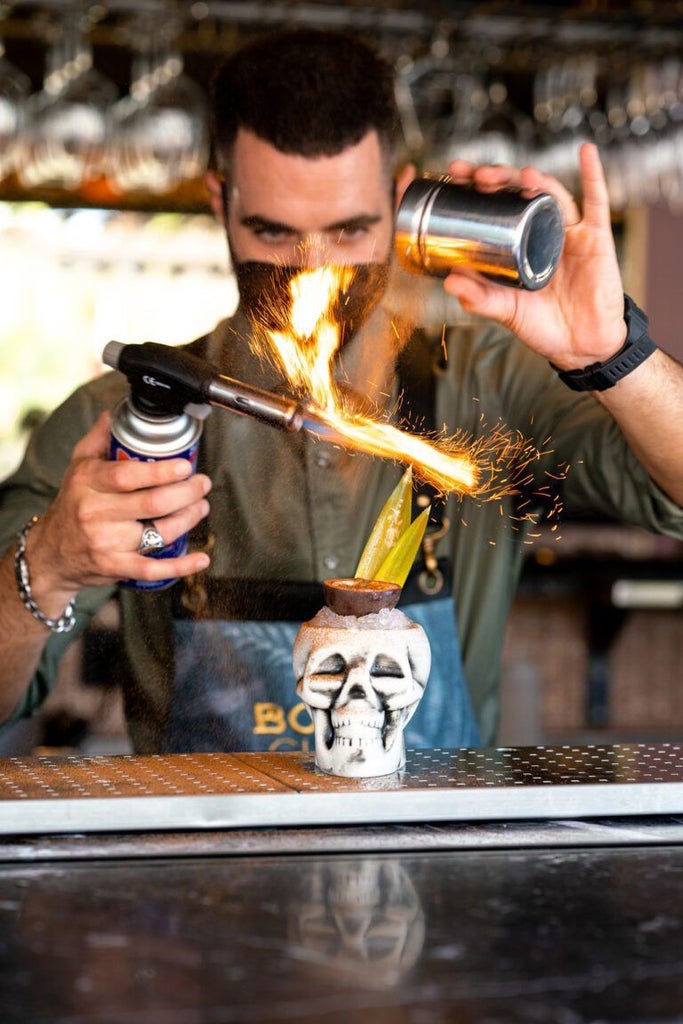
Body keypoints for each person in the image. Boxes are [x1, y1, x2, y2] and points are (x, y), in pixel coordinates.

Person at [1, 29, 682, 753]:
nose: (315, 268)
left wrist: (613, 354)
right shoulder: (121, 421)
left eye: (350, 230)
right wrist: (48, 564)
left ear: (397, 201)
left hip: (436, 862)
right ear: (219, 203)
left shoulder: (492, 382)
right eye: (276, 233)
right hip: (205, 858)